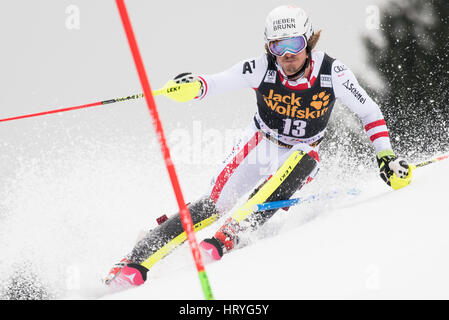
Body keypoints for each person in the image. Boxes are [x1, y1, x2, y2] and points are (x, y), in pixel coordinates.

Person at [104, 4, 412, 289]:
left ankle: (232, 233)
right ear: (269, 47)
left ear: (309, 43)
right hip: (260, 142)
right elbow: (216, 82)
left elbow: (369, 112)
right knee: (213, 206)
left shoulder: (333, 72)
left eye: (295, 44)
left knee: (304, 158)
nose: (288, 54)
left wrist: (385, 156)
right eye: (279, 46)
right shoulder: (260, 68)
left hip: (303, 149)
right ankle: (135, 259)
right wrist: (193, 86)